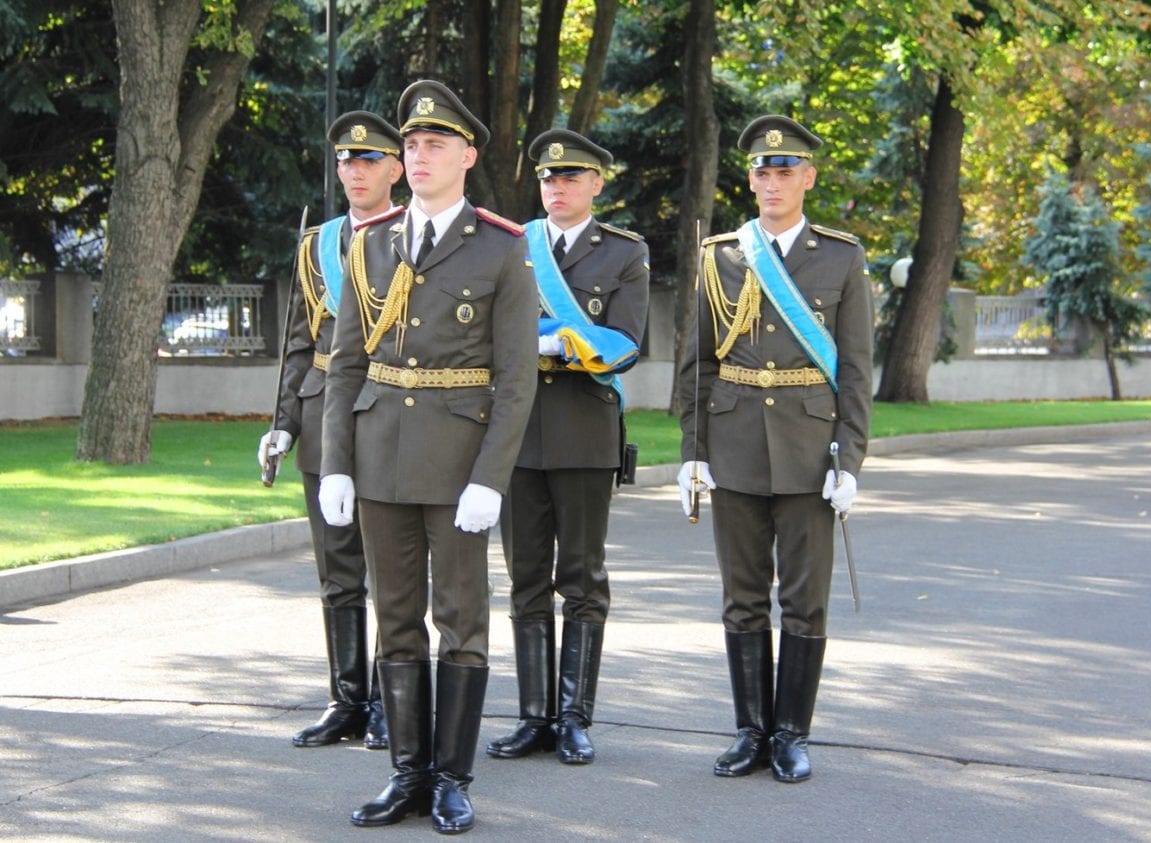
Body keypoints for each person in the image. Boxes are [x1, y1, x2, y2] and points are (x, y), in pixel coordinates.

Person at [318, 79, 537, 835]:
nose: (418, 156)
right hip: (380, 456)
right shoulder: (371, 242)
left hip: (458, 465)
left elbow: (517, 380)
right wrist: (337, 460)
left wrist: (491, 478)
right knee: (396, 616)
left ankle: (451, 777)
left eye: (434, 144)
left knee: (461, 620)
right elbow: (347, 362)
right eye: (411, 145)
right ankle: (406, 774)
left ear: (467, 156)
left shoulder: (502, 248)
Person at [677, 115, 873, 784]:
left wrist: (849, 458)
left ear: (808, 178)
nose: (771, 180)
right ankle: (749, 729)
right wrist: (692, 448)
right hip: (732, 443)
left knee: (804, 597)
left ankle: (791, 732)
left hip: (808, 447)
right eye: (761, 170)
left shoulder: (841, 256)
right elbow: (697, 360)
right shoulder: (721, 254)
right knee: (741, 595)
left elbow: (855, 369)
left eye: (784, 169)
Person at [487, 130, 649, 765]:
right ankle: (534, 718)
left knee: (581, 578)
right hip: (517, 431)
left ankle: (575, 716)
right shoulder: (511, 246)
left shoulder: (624, 254)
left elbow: (629, 340)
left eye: (572, 178)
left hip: (585, 429)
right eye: (550, 179)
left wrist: (555, 344)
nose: (558, 187)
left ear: (596, 185)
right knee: (525, 577)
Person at [258, 110, 405, 751]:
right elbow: (297, 343)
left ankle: (390, 706)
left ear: (395, 170)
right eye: (346, 161)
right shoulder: (317, 244)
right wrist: (284, 424)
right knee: (338, 569)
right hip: (322, 416)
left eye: (368, 160)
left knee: (391, 570)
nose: (354, 171)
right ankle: (347, 699)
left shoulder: (415, 234)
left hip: (390, 411)